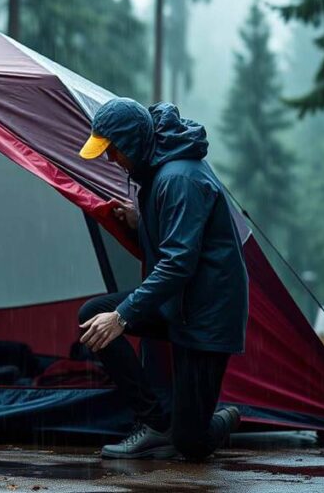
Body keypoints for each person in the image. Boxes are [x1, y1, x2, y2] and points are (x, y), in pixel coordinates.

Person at [76, 98, 248, 461]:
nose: (110, 160)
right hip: (179, 303)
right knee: (93, 315)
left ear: (132, 142)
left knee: (191, 445)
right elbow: (177, 241)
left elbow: (178, 264)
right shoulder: (155, 170)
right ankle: (155, 422)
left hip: (206, 315)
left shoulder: (179, 178)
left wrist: (122, 316)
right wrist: (141, 222)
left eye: (113, 151)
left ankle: (225, 417)